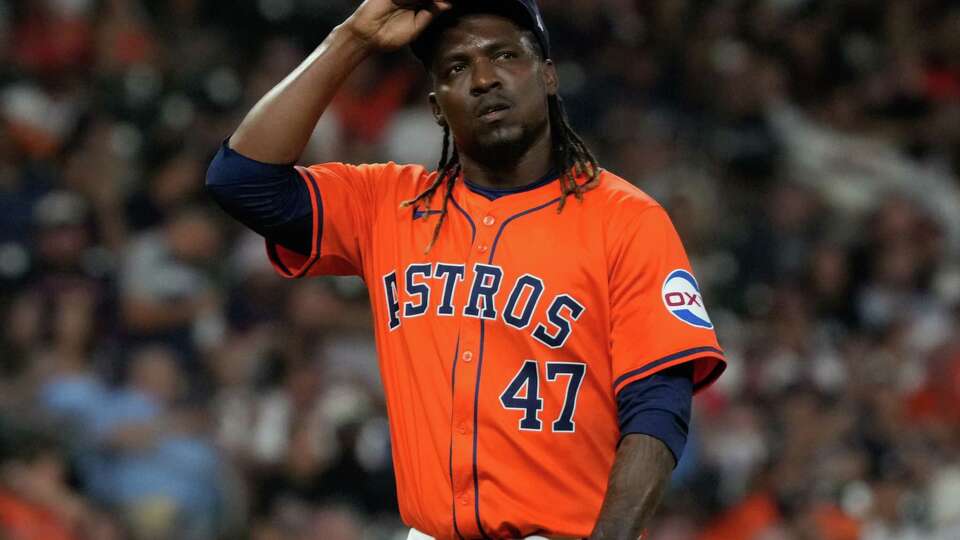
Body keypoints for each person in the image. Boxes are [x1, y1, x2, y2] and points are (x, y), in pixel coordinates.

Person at [206, 1, 727, 538]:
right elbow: (241, 180)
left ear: (547, 76)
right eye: (456, 68)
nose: (482, 78)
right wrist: (352, 39)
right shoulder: (387, 203)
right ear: (436, 106)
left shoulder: (626, 220)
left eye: (504, 55)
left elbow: (658, 405)